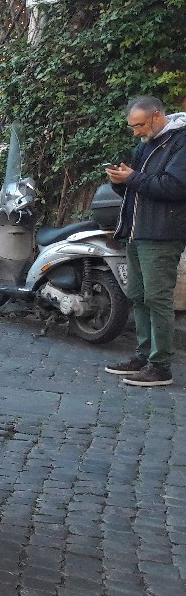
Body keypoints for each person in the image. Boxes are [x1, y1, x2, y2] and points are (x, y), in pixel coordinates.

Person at [104, 95, 186, 387]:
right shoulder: (146, 144)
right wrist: (119, 181)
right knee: (138, 296)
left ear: (157, 116)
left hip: (162, 235)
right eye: (132, 127)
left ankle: (161, 365)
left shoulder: (180, 142)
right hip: (136, 233)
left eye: (139, 125)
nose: (135, 132)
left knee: (157, 298)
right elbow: (135, 191)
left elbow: (176, 186)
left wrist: (132, 179)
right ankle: (142, 355)